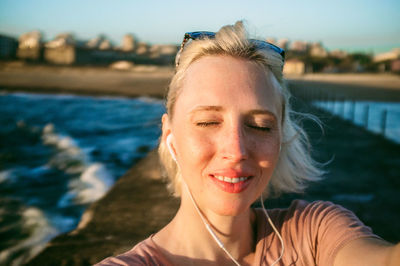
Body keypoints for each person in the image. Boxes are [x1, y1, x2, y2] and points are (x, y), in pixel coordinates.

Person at [97, 21, 399, 266]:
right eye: (208, 122)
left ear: (281, 137)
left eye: (260, 126)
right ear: (170, 136)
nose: (237, 150)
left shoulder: (315, 235)